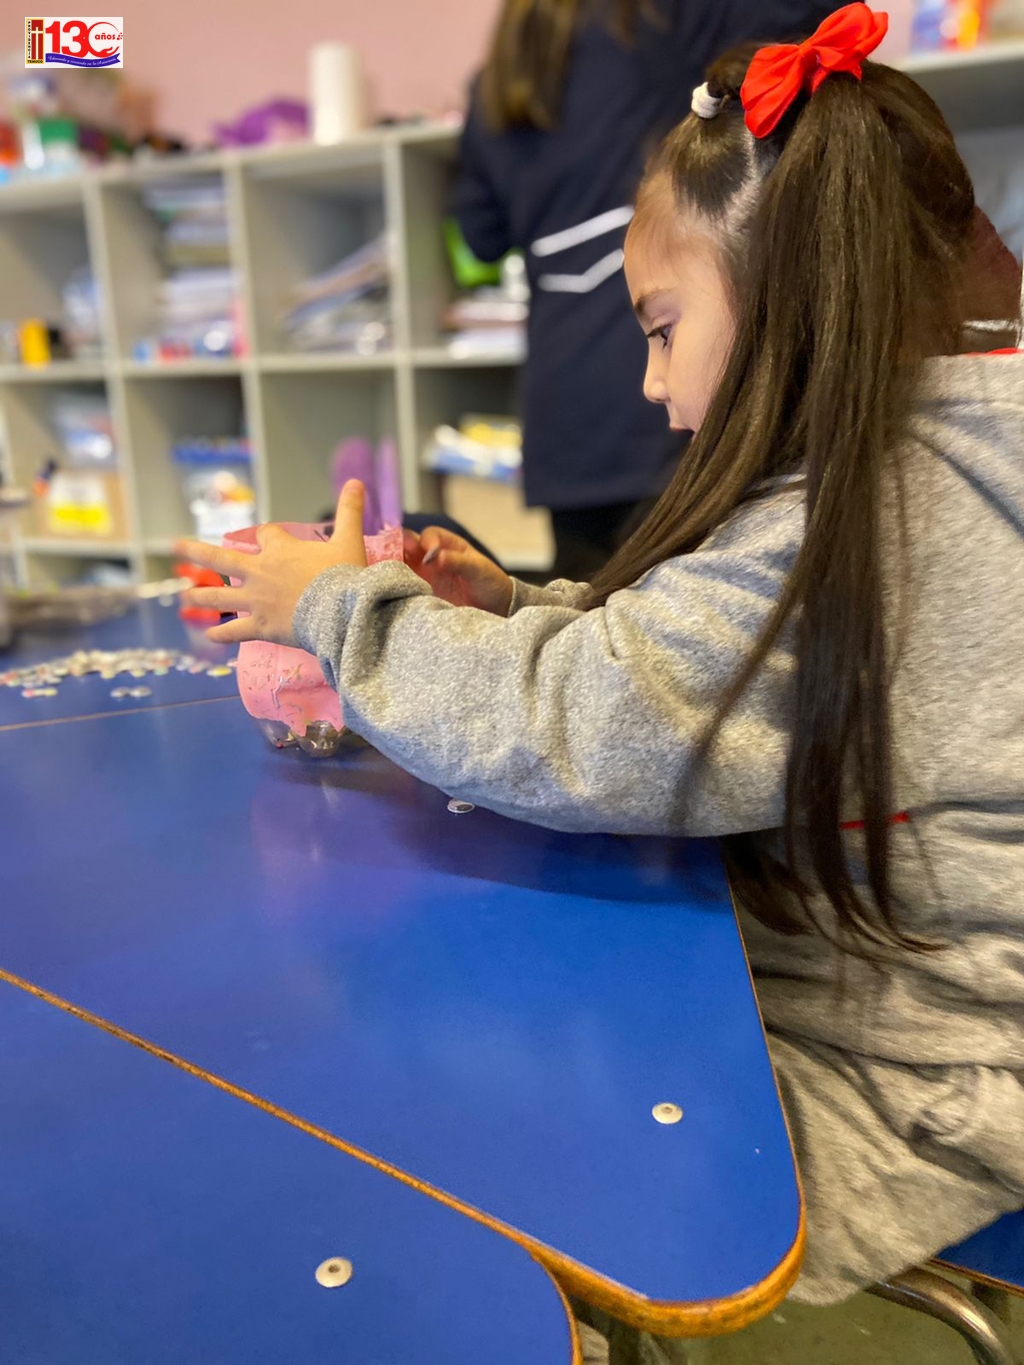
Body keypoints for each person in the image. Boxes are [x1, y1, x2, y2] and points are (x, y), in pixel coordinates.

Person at [179, 3, 1024, 1348]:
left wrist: (334, 609)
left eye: (662, 328)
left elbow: (593, 727)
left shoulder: (851, 522)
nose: (649, 385)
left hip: (930, 1065)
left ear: (792, 301)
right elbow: (700, 662)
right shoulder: (924, 458)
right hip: (934, 1001)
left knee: (475, 1113)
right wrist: (521, 603)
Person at [454, 0, 839, 581]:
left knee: (587, 619)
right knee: (696, 616)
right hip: (665, 393)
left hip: (565, 413)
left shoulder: (495, 82)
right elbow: (812, 27)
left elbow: (480, 236)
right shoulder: (651, 21)